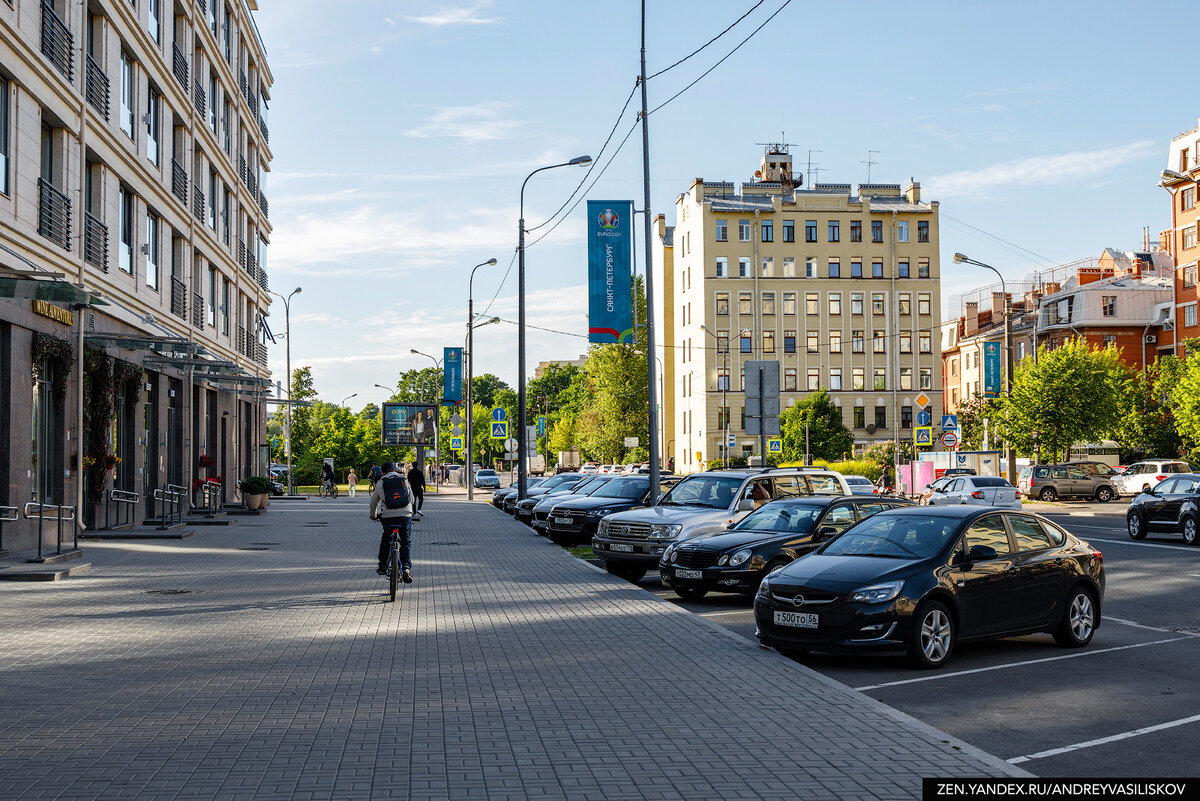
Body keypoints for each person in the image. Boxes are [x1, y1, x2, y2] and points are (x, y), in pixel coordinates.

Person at [369, 461, 413, 583]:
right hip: (405, 515)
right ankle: (406, 568)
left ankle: (382, 566)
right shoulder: (404, 480)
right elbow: (412, 499)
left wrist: (373, 516)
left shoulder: (381, 482)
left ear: (383, 472)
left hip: (388, 517)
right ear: (394, 470)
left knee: (387, 538)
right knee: (406, 541)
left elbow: (373, 503)